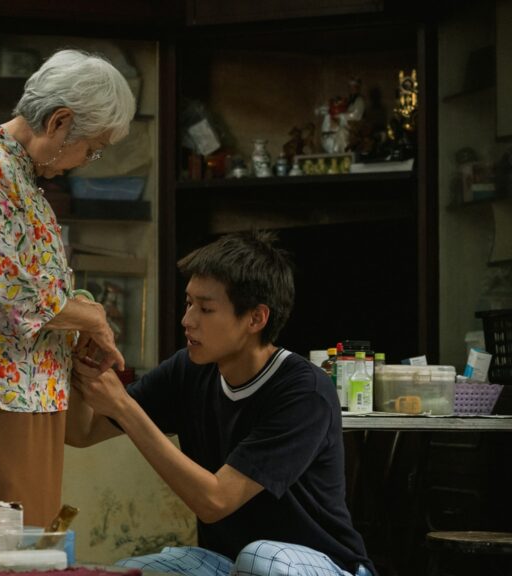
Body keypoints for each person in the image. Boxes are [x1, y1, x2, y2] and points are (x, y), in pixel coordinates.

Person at [67, 231, 375, 576]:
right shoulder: (188, 370)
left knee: (261, 561)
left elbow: (214, 501)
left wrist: (123, 406)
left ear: (256, 318)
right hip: (228, 562)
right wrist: (84, 372)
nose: (188, 320)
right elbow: (81, 432)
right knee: (129, 571)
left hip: (321, 564)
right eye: (188, 303)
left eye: (206, 308)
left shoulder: (304, 391)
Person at [0, 48, 135, 527]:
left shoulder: (14, 169)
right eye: (91, 147)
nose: (86, 161)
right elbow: (14, 292)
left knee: (31, 542)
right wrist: (92, 318)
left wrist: (80, 313)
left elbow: (31, 284)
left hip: (19, 388)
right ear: (59, 122)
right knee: (0, 549)